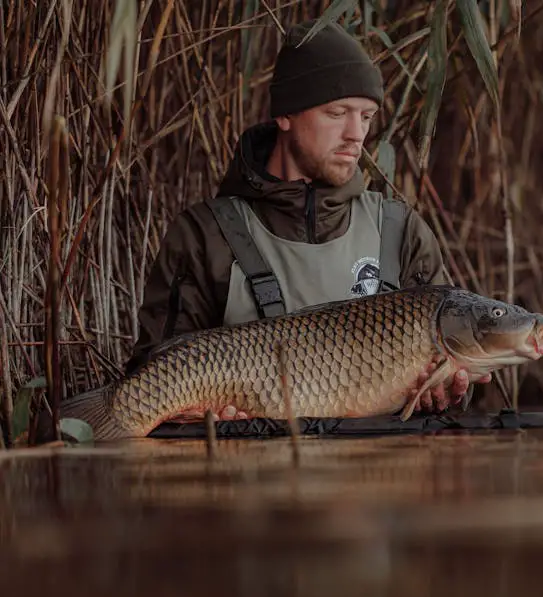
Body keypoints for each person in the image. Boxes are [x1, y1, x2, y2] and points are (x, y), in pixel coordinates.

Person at [126, 19, 490, 420]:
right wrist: (192, 419)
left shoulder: (399, 231)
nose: (357, 134)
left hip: (379, 474)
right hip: (250, 474)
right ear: (286, 115)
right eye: (337, 113)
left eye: (367, 116)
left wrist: (448, 395)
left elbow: (452, 397)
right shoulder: (205, 235)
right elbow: (154, 375)